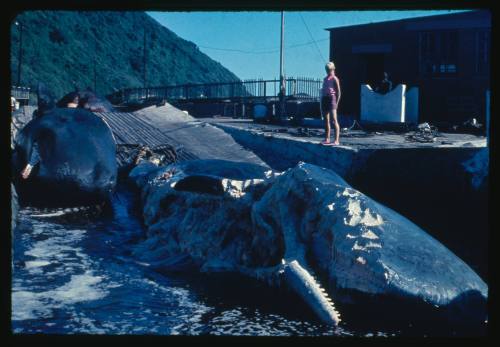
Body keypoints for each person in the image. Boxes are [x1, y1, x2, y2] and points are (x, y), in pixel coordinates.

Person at [321, 62, 341, 145]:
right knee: (326, 120)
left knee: (334, 120)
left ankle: (336, 140)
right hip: (325, 99)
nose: (328, 71)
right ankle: (327, 138)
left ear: (333, 69)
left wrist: (337, 103)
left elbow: (339, 92)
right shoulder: (325, 79)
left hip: (332, 99)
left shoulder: (335, 78)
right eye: (326, 70)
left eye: (329, 70)